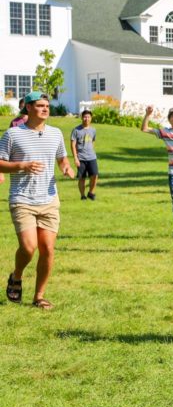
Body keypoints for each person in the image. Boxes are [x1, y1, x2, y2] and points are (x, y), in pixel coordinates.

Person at [2, 92, 74, 309]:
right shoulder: (12, 134)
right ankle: (16, 275)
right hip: (22, 199)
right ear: (28, 108)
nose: (45, 109)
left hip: (49, 199)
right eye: (40, 106)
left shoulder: (56, 133)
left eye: (47, 106)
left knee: (48, 249)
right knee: (28, 247)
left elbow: (61, 158)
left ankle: (39, 296)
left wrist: (66, 167)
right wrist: (21, 166)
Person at [141, 105, 173, 238]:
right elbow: (144, 129)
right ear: (169, 119)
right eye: (172, 116)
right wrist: (147, 114)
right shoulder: (165, 132)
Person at [71, 108, 99, 201]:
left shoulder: (93, 130)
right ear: (82, 118)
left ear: (91, 118)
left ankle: (91, 193)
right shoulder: (76, 130)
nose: (86, 119)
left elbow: (93, 141)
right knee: (82, 178)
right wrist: (75, 158)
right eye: (84, 117)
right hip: (81, 158)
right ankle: (83, 196)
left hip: (92, 157)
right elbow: (73, 144)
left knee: (95, 175)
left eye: (88, 117)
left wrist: (91, 150)